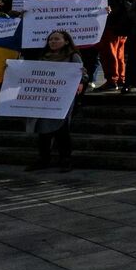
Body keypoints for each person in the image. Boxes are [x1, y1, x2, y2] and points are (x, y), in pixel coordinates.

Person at [26, 31, 87, 171]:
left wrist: (81, 76)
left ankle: (65, 159)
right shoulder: (43, 57)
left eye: (56, 39)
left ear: (66, 41)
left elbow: (83, 76)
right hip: (44, 99)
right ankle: (43, 158)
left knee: (62, 129)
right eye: (50, 39)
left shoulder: (73, 57)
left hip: (63, 100)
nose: (52, 42)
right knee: (42, 129)